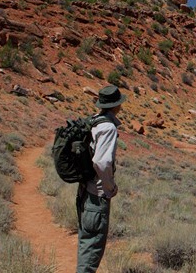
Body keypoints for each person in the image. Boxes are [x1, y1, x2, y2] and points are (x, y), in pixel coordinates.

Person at [77, 85, 126, 273]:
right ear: (117, 105)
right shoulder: (108, 127)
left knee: (86, 246)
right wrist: (110, 187)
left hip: (85, 191)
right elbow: (102, 162)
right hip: (96, 196)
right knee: (91, 254)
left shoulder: (94, 121)